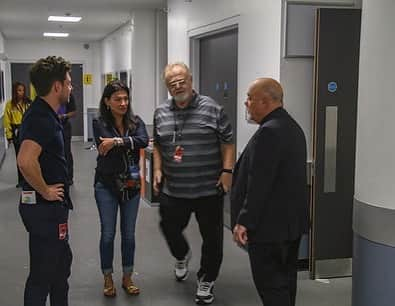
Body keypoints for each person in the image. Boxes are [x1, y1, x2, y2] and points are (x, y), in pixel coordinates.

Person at [153, 62, 235, 305]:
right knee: (168, 227)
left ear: (191, 80)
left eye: (182, 80)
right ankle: (182, 255)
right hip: (174, 188)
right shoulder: (160, 112)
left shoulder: (212, 109)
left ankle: (207, 278)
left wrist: (227, 171)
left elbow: (228, 142)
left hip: (208, 189)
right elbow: (157, 143)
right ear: (167, 87)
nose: (178, 86)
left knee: (212, 239)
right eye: (172, 83)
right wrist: (157, 168)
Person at [231, 78, 309, 306]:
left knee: (272, 286)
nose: (246, 103)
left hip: (269, 229)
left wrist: (244, 221)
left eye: (249, 98)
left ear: (265, 101)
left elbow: (260, 183)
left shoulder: (269, 132)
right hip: (289, 227)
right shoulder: (292, 127)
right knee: (285, 283)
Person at [17, 56, 73, 306]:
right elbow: (26, 160)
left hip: (51, 211)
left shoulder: (47, 114)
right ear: (57, 86)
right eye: (69, 83)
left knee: (60, 270)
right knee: (42, 275)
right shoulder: (40, 118)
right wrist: (46, 191)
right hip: (44, 210)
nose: (71, 88)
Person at [93, 80, 148, 297]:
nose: (123, 103)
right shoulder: (99, 122)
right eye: (118, 99)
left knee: (129, 235)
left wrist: (116, 142)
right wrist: (127, 142)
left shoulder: (136, 121)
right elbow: (104, 147)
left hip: (132, 185)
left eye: (126, 98)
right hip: (106, 185)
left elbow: (143, 140)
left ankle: (127, 277)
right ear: (107, 101)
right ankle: (108, 277)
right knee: (107, 234)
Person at [3, 81, 32, 187]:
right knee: (20, 157)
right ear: (15, 91)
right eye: (19, 90)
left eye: (23, 90)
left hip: (28, 130)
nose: (22, 92)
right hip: (16, 130)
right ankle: (21, 180)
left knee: (29, 156)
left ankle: (30, 179)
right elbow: (7, 121)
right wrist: (9, 135)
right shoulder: (9, 105)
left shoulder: (28, 103)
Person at [57, 92, 76, 185]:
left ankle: (69, 177)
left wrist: (63, 116)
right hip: (52, 126)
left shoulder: (68, 95)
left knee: (66, 152)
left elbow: (73, 112)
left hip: (64, 126)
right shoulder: (50, 95)